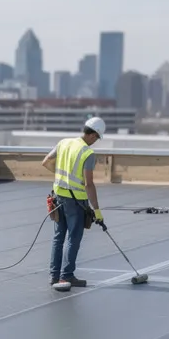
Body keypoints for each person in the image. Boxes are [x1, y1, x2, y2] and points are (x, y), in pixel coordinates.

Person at [41, 116, 106, 291]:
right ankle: (67, 275)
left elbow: (45, 161)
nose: (95, 142)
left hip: (58, 197)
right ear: (93, 135)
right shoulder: (87, 153)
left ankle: (54, 275)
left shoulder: (64, 143)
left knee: (58, 237)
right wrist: (97, 211)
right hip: (75, 201)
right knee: (73, 238)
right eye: (97, 139)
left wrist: (62, 177)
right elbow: (88, 184)